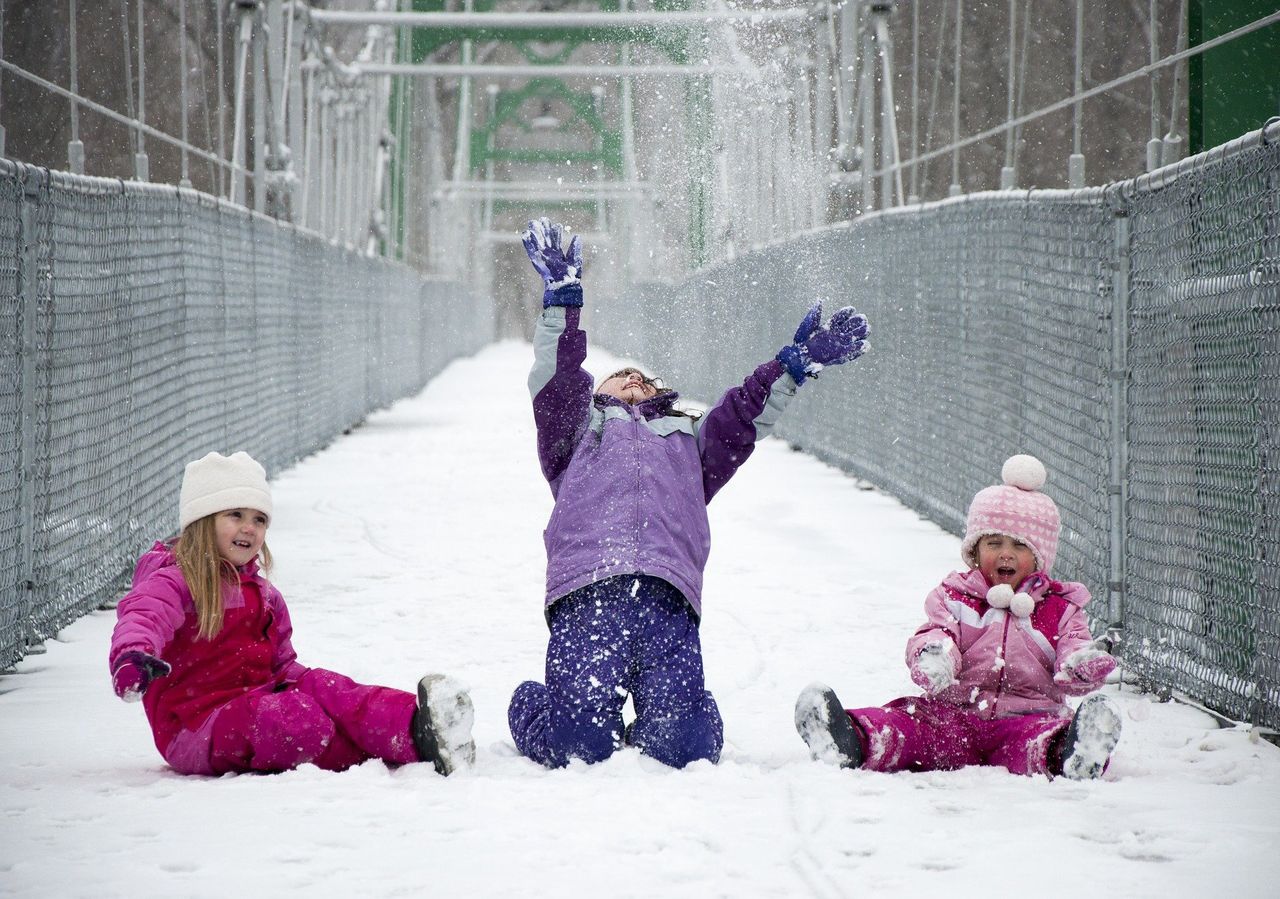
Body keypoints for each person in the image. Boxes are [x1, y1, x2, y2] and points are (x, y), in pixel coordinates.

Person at [508, 217, 870, 769]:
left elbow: (744, 415)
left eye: (645, 381)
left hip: (667, 596)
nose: (633, 383)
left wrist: (791, 368)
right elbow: (557, 375)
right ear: (594, 394)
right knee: (577, 745)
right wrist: (563, 302)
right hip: (589, 593)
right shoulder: (574, 435)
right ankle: (536, 705)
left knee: (686, 749)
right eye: (619, 378)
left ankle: (679, 717)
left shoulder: (689, 442)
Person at [108, 451, 476, 776]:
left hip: (256, 699)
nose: (249, 528)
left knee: (330, 690)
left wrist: (320, 690)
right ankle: (381, 750)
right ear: (203, 521)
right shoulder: (174, 581)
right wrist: (132, 658)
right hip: (196, 726)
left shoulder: (265, 595)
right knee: (293, 719)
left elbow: (280, 665)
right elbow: (143, 616)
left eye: (259, 519)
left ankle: (419, 727)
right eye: (235, 515)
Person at [795, 454, 1122, 780]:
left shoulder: (1060, 609)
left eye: (1020, 546)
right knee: (909, 725)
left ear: (1039, 559)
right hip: (952, 715)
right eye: (994, 543)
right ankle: (850, 739)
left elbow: (1072, 651)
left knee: (1036, 744)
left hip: (1027, 717)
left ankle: (1074, 753)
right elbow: (936, 632)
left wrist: (1083, 665)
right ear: (976, 552)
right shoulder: (956, 597)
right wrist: (934, 657)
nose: (1006, 553)